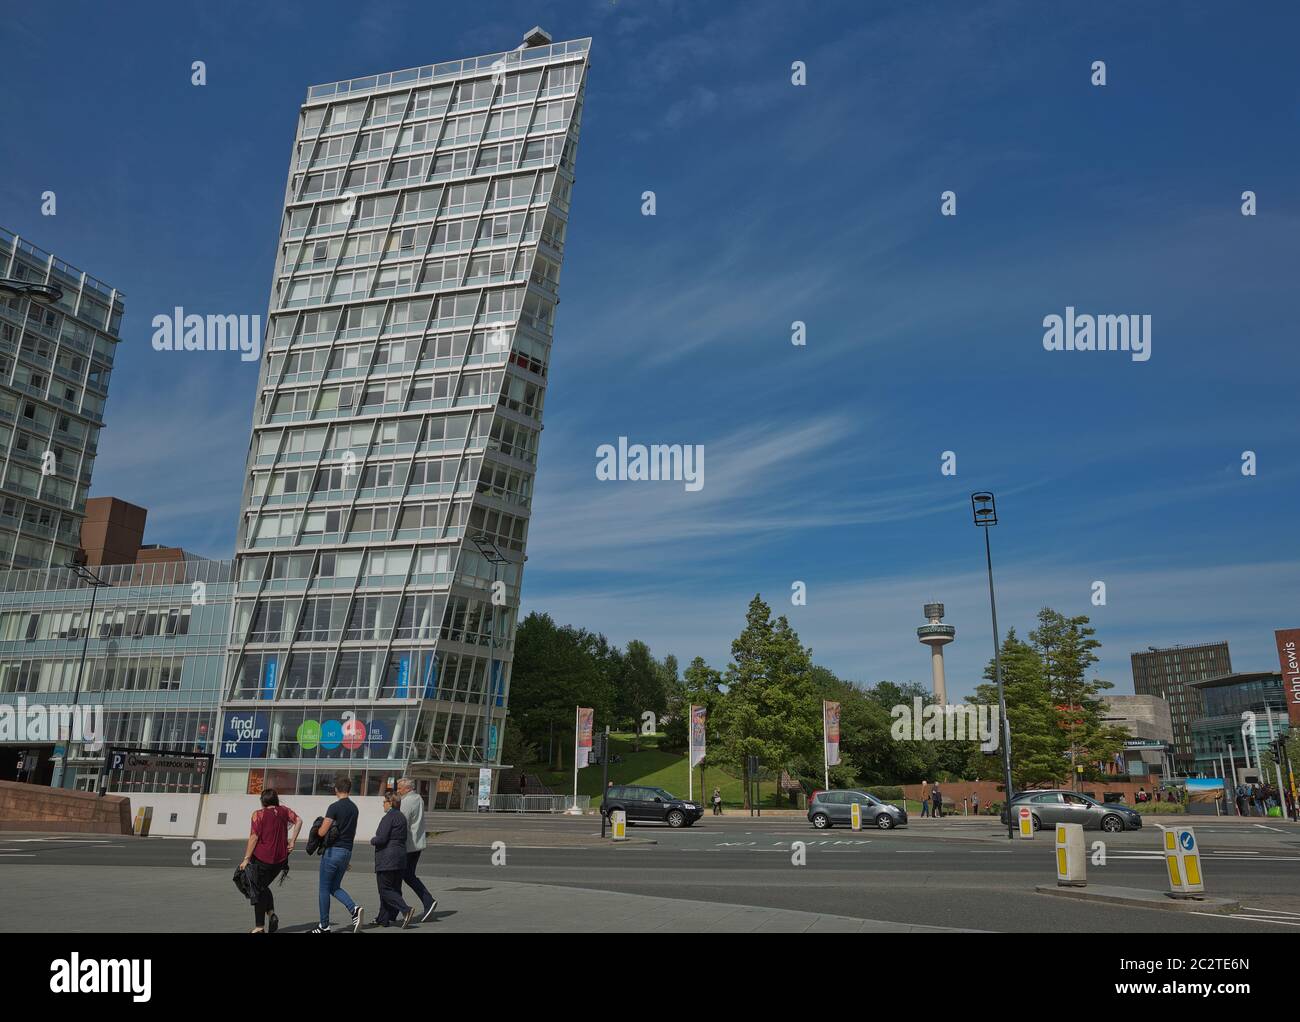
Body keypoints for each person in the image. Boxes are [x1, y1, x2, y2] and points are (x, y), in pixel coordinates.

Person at [239, 789, 300, 934]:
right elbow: (299, 820)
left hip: (262, 858)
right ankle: (271, 914)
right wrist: (292, 841)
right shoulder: (284, 811)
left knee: (255, 888)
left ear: (263, 801)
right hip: (280, 860)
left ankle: (259, 927)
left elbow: (254, 837)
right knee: (263, 886)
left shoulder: (258, 814)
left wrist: (246, 859)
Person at [312, 776, 364, 934]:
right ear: (348, 789)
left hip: (333, 851)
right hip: (347, 851)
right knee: (334, 887)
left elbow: (322, 832)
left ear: (336, 789)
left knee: (323, 888)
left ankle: (324, 926)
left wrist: (317, 828)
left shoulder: (334, 807)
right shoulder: (354, 808)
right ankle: (354, 909)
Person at [396, 777, 438, 923]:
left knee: (402, 876)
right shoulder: (418, 798)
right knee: (407, 875)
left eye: (399, 788)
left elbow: (401, 822)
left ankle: (427, 901)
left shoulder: (407, 801)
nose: (397, 790)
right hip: (417, 844)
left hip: (408, 845)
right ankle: (425, 901)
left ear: (407, 788)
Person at [372, 791, 415, 928]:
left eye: (384, 802)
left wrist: (373, 840)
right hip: (400, 857)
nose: (382, 805)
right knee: (394, 889)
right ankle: (384, 918)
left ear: (390, 803)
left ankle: (406, 909)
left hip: (387, 859)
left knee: (384, 889)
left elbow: (382, 838)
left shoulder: (388, 817)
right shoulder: (401, 817)